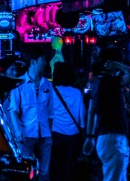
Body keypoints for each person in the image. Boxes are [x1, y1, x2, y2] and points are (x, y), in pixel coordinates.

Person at [87, 46, 130, 181]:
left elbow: (91, 112)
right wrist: (119, 65)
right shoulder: (111, 81)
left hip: (104, 137)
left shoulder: (97, 82)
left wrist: (90, 137)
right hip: (113, 138)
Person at [9, 47, 54, 181]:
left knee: (44, 172)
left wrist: (49, 132)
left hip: (44, 134)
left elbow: (50, 112)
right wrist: (18, 131)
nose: (45, 62)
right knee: (26, 171)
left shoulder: (47, 84)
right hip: (26, 134)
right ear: (33, 62)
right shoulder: (19, 84)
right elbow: (14, 110)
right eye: (42, 60)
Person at [50, 62, 86, 179]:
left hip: (56, 134)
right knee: (69, 169)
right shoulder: (77, 93)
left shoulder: (51, 91)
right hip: (73, 136)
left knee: (55, 168)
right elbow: (81, 116)